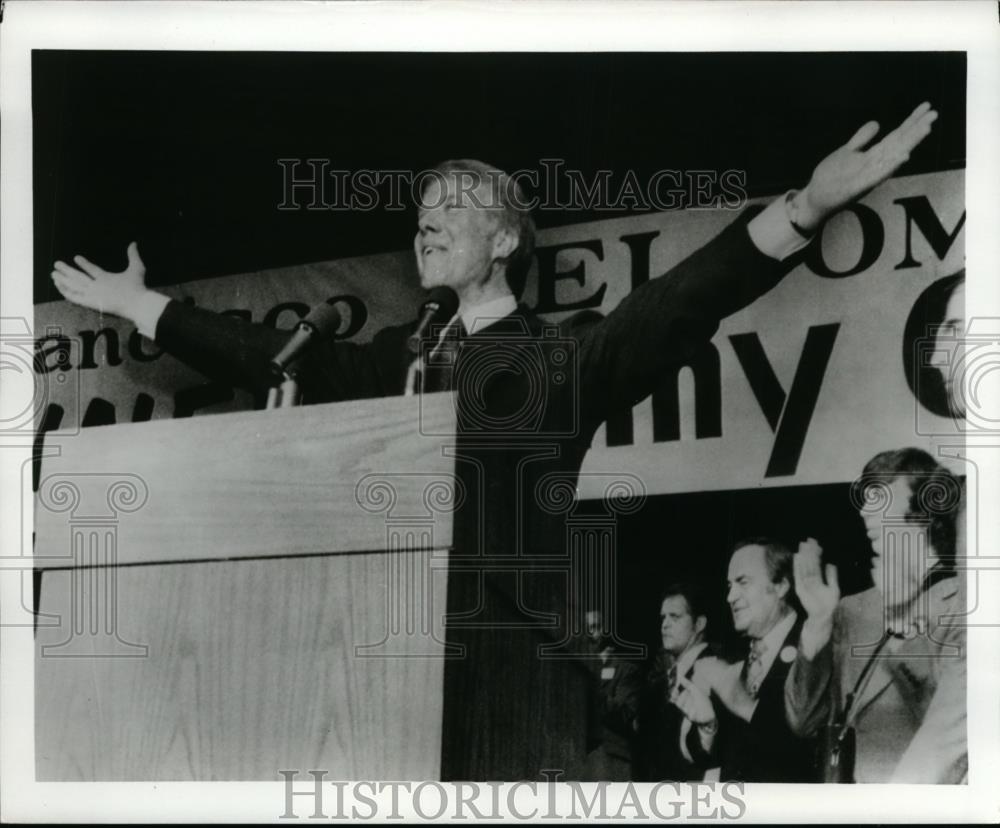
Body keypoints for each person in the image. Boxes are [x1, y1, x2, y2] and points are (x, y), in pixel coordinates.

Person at [50, 105, 938, 780]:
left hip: (512, 666)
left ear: (506, 237)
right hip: (368, 654)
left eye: (450, 207)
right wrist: (141, 307)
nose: (424, 221)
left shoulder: (561, 359)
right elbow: (263, 358)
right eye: (420, 210)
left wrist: (807, 206)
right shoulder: (393, 362)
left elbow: (680, 300)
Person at [786, 448, 966, 783]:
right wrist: (817, 625)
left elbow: (956, 731)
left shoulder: (967, 605)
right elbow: (803, 721)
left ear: (927, 512)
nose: (867, 511)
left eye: (881, 497)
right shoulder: (849, 611)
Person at [677, 539, 818, 782]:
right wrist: (707, 726)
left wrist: (744, 704)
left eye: (743, 582)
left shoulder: (815, 648)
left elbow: (804, 748)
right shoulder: (731, 659)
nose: (730, 596)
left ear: (781, 585)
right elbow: (707, 760)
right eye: (729, 585)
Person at [636, 583, 719, 781]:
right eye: (663, 617)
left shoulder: (718, 672)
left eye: (675, 617)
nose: (664, 624)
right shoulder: (661, 684)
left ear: (699, 624)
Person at [574, 610, 643, 781]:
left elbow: (625, 713)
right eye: (585, 629)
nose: (590, 634)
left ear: (605, 631)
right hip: (576, 756)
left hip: (610, 759)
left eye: (595, 627)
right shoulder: (573, 671)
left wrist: (594, 678)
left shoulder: (626, 670)